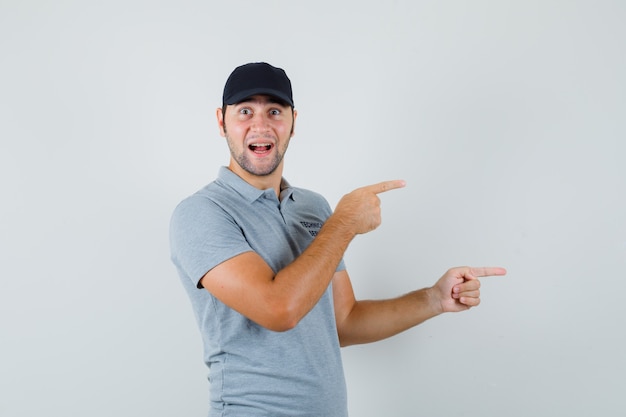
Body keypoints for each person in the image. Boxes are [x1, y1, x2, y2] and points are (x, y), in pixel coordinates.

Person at [169, 62, 506, 417]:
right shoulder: (201, 213)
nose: (261, 124)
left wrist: (434, 299)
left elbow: (342, 321)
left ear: (293, 122)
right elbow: (278, 309)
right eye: (245, 111)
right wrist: (344, 223)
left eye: (274, 111)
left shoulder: (313, 207)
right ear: (222, 122)